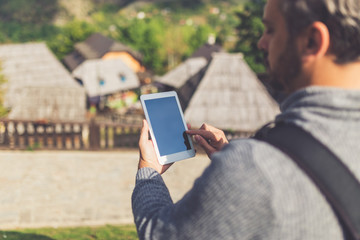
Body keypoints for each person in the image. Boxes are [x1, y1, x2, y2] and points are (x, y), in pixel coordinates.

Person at [132, 0, 360, 239]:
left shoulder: (254, 168)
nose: (262, 43)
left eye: (271, 30)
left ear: (312, 41)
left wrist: (148, 172)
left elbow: (159, 234)